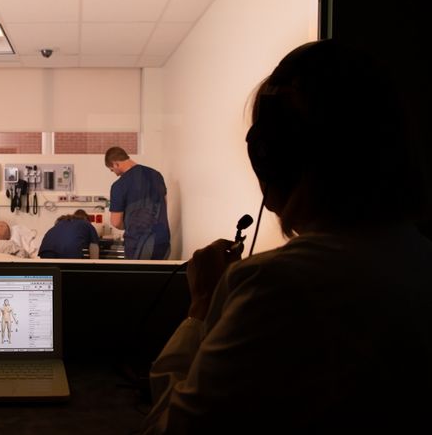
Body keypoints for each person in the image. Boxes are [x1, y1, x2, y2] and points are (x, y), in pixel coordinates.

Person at [141, 39, 432, 434]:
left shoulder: (274, 285)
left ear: (269, 155)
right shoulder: (418, 260)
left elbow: (170, 427)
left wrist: (203, 306)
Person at [104, 147, 170, 260]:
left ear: (115, 164)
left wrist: (127, 224)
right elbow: (164, 204)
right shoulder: (156, 175)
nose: (114, 173)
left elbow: (115, 222)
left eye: (112, 169)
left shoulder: (119, 185)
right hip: (162, 240)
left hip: (137, 243)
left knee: (139, 277)